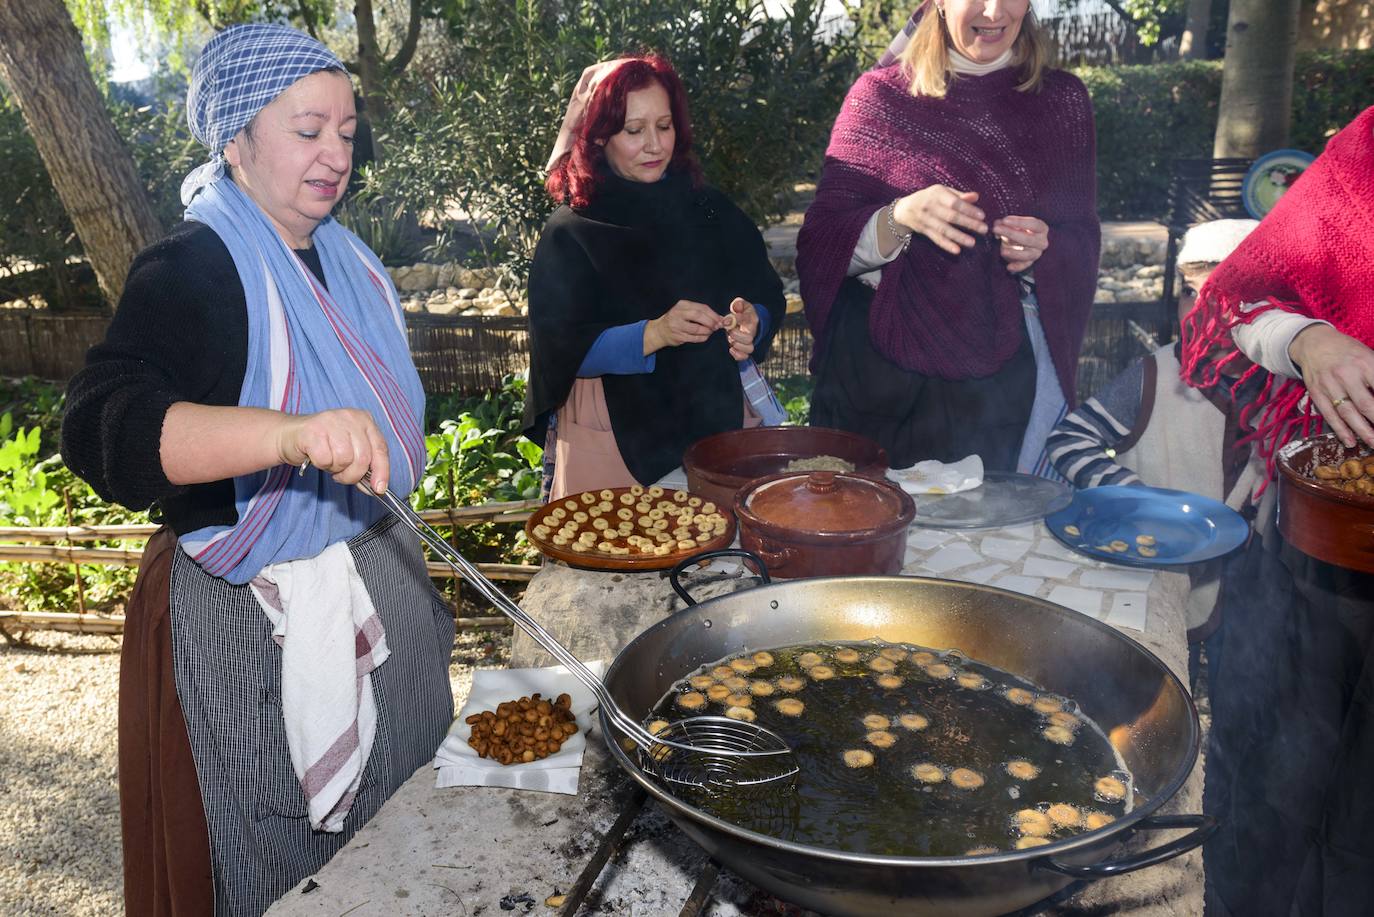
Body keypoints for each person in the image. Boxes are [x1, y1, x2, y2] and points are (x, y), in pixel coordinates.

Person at [60, 25, 454, 916]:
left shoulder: (350, 262)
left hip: (376, 571)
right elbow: (98, 426)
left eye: (347, 132)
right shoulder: (194, 267)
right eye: (308, 128)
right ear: (236, 138)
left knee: (412, 838)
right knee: (282, 869)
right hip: (249, 622)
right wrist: (286, 434)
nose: (335, 154)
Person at [1181, 105, 1374, 916]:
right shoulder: (1367, 152)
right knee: (1271, 799)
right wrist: (1309, 340)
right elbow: (1231, 302)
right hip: (1319, 565)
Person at [795, 0, 1099, 473]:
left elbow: (1080, 241)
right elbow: (820, 243)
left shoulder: (1061, 102)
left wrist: (1043, 251)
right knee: (865, 534)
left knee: (993, 538)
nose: (994, 11)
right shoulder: (879, 98)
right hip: (874, 376)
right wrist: (902, 215)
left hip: (996, 382)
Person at [523, 54, 786, 500]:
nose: (655, 145)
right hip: (612, 435)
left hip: (717, 424)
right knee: (615, 556)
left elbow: (766, 293)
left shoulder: (710, 209)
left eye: (664, 126)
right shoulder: (573, 229)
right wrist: (655, 333)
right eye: (633, 130)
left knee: (723, 558)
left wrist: (752, 322)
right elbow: (558, 350)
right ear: (600, 136)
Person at [1046, 219, 1266, 650]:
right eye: (1189, 291)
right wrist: (1136, 496)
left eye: (1222, 295)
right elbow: (1068, 441)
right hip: (1154, 582)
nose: (1198, 310)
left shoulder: (1286, 388)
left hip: (1253, 591)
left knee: (1241, 695)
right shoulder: (1154, 376)